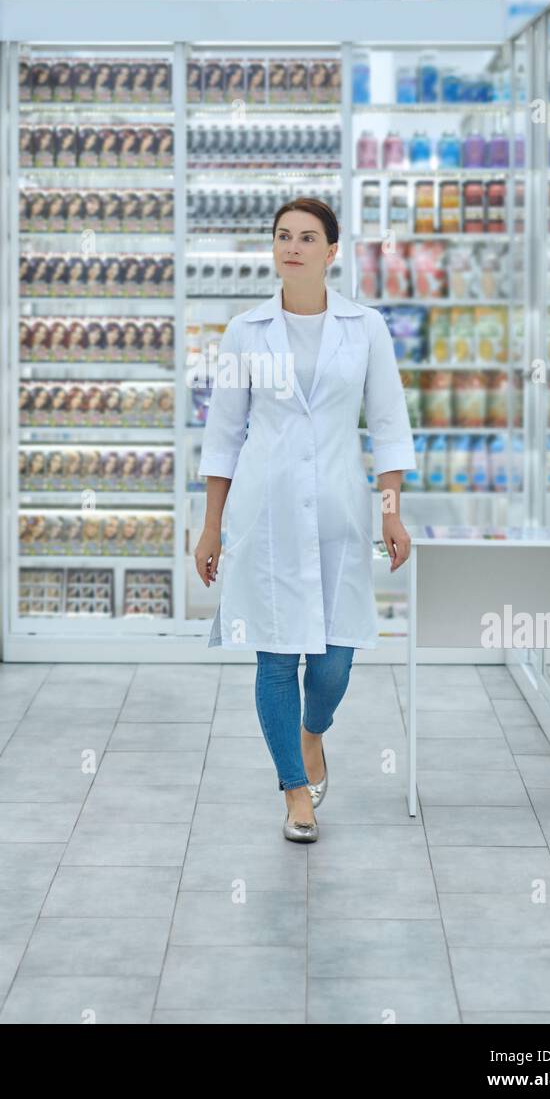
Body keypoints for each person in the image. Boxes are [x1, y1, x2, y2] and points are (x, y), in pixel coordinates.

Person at [194, 197, 416, 843]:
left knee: (334, 662)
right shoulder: (246, 330)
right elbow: (223, 434)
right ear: (273, 248)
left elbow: (390, 424)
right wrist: (211, 528)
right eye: (283, 236)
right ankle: (295, 791)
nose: (293, 246)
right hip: (265, 513)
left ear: (331, 250)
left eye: (307, 237)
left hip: (342, 508)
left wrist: (392, 513)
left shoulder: (365, 326)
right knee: (274, 658)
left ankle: (312, 734)